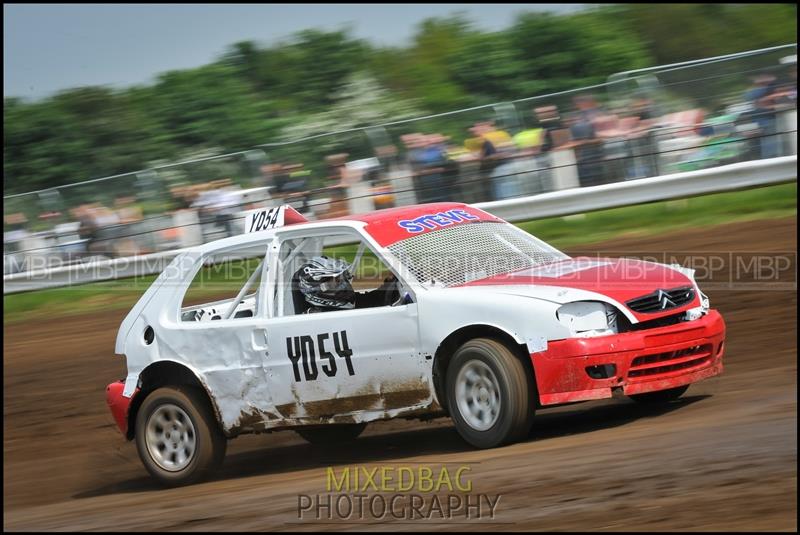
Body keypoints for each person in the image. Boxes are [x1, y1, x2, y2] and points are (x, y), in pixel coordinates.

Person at [293, 256, 400, 314]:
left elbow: (373, 300)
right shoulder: (319, 318)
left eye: (341, 279)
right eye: (336, 282)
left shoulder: (342, 305)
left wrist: (391, 282)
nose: (343, 285)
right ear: (317, 290)